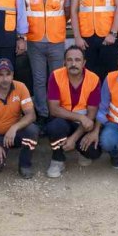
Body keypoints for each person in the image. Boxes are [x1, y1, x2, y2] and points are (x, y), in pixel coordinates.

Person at [0, 58, 39, 179]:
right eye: (0, 75)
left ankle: (25, 165)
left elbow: (31, 115)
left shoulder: (21, 87)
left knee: (32, 130)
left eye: (8, 74)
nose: (5, 79)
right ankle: (0, 151)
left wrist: (14, 128)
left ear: (13, 75)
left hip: (15, 133)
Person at [45, 46, 104, 178]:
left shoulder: (93, 79)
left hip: (83, 124)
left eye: (77, 60)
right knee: (55, 127)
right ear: (64, 62)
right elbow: (53, 109)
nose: (73, 64)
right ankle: (57, 159)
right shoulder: (55, 76)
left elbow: (91, 115)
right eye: (69, 60)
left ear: (84, 63)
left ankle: (78, 148)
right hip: (62, 119)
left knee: (93, 152)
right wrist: (79, 117)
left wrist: (74, 138)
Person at [22, 0, 69, 123]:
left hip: (56, 41)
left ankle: (55, 112)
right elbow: (21, 14)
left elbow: (68, 12)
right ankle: (42, 113)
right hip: (35, 41)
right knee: (39, 79)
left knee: (56, 80)